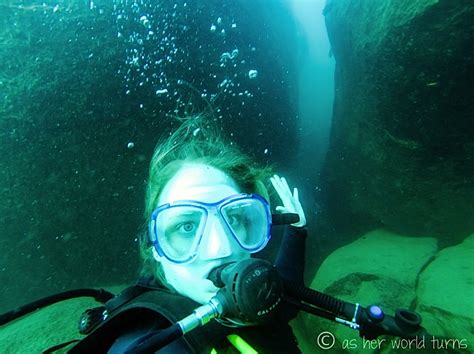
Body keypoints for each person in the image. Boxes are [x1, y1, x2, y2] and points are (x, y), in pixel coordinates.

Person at [68, 116, 308, 353]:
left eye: (233, 218)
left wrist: (297, 232)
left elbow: (286, 300)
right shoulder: (153, 340)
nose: (221, 249)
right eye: (187, 226)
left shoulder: (257, 293)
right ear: (155, 248)